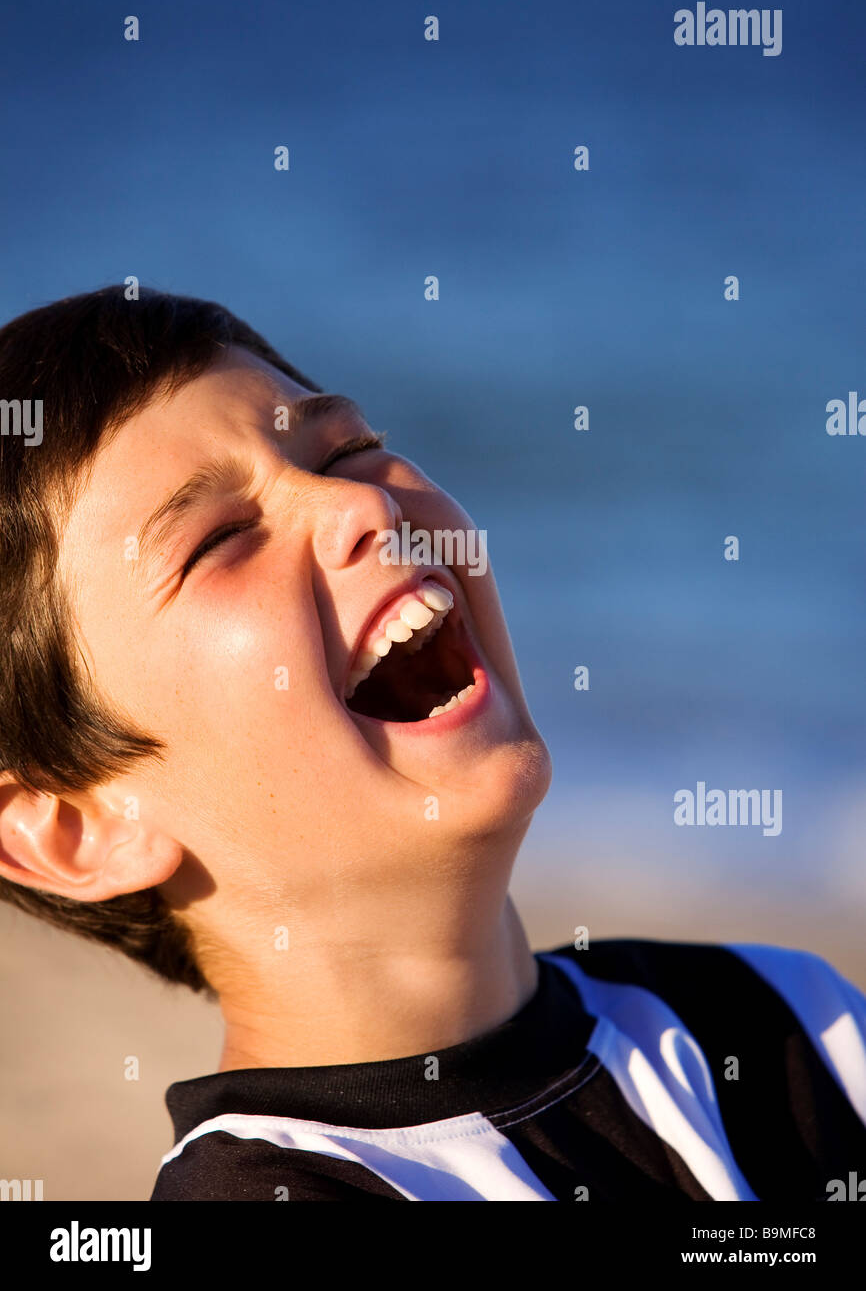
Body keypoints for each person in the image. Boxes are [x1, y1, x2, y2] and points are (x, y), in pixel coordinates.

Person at [1, 285, 864, 1202]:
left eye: (347, 450)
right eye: (219, 538)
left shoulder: (784, 1023)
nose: (357, 507)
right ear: (68, 827)